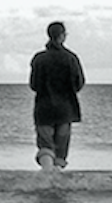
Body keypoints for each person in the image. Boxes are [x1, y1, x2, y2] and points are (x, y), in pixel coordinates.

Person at [29, 21, 85, 171]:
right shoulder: (71, 58)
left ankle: (46, 176)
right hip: (65, 109)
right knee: (61, 149)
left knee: (46, 145)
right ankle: (56, 179)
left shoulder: (39, 59)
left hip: (44, 108)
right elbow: (79, 84)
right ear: (62, 36)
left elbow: (34, 85)